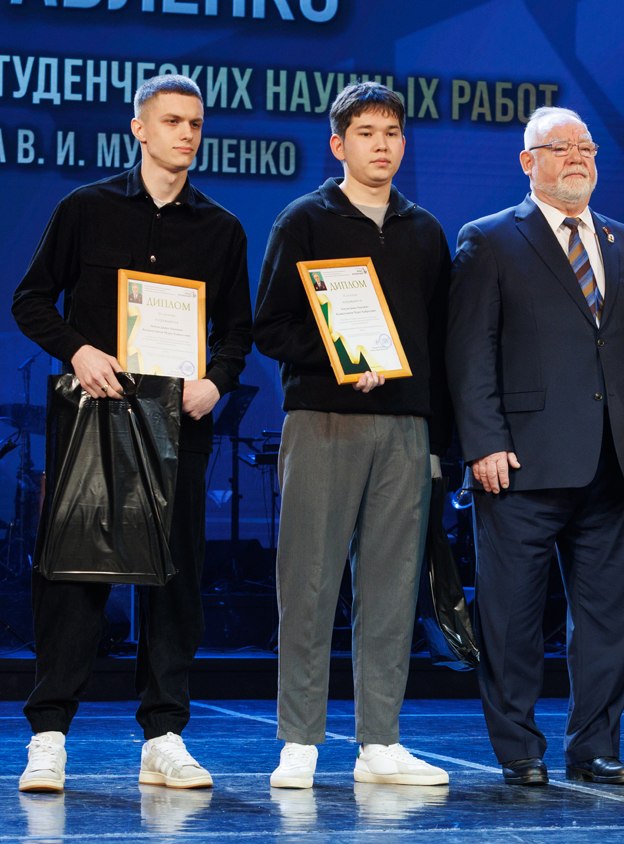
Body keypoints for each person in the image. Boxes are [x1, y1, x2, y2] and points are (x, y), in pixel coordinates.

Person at [11, 74, 252, 792]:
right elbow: (30, 300)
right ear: (139, 129)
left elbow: (237, 331)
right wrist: (78, 351)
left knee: (174, 581)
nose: (186, 134)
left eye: (196, 123)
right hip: (93, 419)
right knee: (75, 576)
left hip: (178, 425)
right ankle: (49, 735)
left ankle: (164, 737)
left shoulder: (221, 228)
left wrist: (217, 380)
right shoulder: (84, 208)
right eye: (172, 121)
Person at [447, 106, 624, 786]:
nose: (578, 156)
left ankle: (594, 746)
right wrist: (483, 442)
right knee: (512, 618)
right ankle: (519, 748)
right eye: (561, 147)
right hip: (519, 462)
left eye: (587, 147)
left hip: (612, 460)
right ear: (528, 162)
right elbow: (470, 350)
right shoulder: (490, 238)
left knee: (607, 619)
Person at [252, 82, 452, 789]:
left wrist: (438, 440)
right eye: (366, 133)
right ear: (338, 144)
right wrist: (337, 359)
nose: (381, 145)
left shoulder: (425, 231)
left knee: (392, 587)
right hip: (323, 419)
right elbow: (269, 326)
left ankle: (380, 743)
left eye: (391, 133)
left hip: (405, 427)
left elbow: (441, 343)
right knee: (308, 581)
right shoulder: (304, 220)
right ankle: (300, 741)